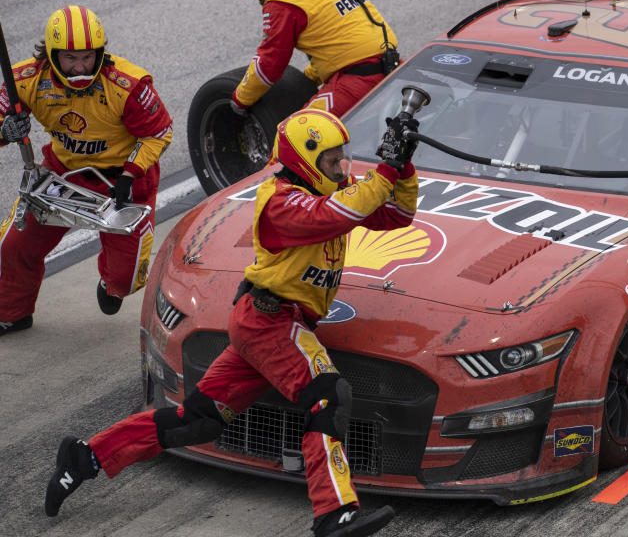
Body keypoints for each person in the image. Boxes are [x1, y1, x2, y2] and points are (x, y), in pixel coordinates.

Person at [44, 107, 420, 537]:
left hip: (264, 322)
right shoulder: (281, 202)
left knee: (196, 421)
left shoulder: (333, 190)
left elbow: (397, 216)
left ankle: (86, 456)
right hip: (273, 321)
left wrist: (403, 167)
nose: (341, 170)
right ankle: (334, 512)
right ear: (303, 163)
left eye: (343, 159)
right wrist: (385, 172)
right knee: (327, 395)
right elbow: (338, 214)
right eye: (332, 162)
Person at [0, 5, 173, 335]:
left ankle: (110, 282)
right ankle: (11, 312)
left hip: (124, 182)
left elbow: (160, 133)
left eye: (87, 57)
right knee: (13, 247)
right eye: (69, 58)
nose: (80, 67)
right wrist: (5, 131)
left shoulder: (129, 84)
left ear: (100, 52)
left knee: (125, 281)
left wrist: (130, 174)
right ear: (52, 55)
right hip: (63, 175)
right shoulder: (25, 78)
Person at [231, 0, 399, 120]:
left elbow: (269, 62)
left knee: (293, 137)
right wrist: (309, 77)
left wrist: (239, 99)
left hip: (358, 78)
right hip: (392, 65)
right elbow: (334, 35)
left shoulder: (282, 1)